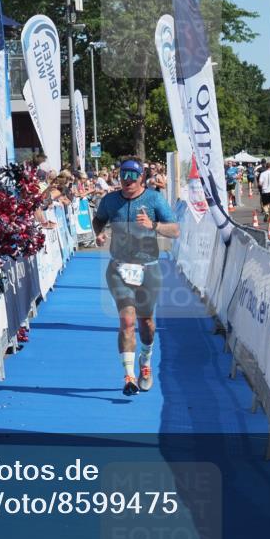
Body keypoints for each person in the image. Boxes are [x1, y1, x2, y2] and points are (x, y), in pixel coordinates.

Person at [92, 158, 179, 396]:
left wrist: (153, 225)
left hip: (148, 268)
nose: (127, 180)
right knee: (127, 322)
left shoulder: (154, 199)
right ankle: (129, 376)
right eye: (123, 175)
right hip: (119, 269)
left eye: (132, 175)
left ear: (141, 177)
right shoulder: (110, 200)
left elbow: (175, 230)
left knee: (146, 322)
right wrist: (99, 234)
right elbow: (98, 220)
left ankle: (146, 360)